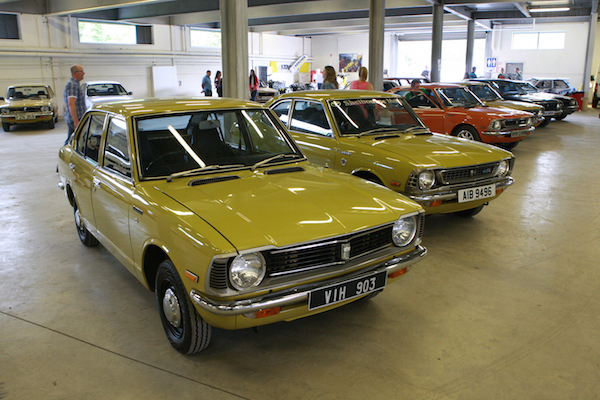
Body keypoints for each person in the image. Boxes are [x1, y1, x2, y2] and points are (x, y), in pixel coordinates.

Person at [63, 64, 86, 144]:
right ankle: (65, 153)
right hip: (75, 119)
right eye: (82, 71)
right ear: (76, 73)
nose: (84, 73)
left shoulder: (75, 84)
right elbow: (71, 103)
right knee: (72, 141)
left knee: (73, 140)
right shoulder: (72, 85)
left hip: (77, 118)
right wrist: (76, 121)